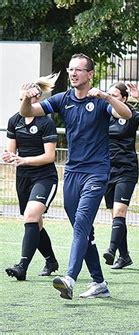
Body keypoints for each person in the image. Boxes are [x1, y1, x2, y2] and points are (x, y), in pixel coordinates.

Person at [20, 53, 132, 299]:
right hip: (72, 173)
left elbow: (127, 115)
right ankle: (99, 283)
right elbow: (30, 111)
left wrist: (106, 96)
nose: (73, 73)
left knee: (81, 223)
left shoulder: (101, 100)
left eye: (78, 70)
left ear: (90, 74)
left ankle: (69, 277)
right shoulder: (63, 99)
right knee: (83, 231)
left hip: (96, 173)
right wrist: (26, 99)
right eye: (71, 69)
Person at [4, 76, 60, 281]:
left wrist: (24, 160)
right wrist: (9, 156)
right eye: (20, 100)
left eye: (25, 99)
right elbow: (11, 151)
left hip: (44, 177)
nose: (23, 104)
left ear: (36, 99)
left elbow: (49, 156)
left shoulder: (45, 122)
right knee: (34, 223)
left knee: (30, 217)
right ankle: (51, 260)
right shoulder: (14, 120)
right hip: (23, 178)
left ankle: (22, 267)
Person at [102, 81, 139, 269]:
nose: (110, 99)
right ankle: (124, 256)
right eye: (109, 95)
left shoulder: (131, 115)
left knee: (119, 212)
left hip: (127, 170)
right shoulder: (104, 114)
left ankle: (111, 250)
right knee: (115, 216)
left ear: (124, 98)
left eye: (115, 96)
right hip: (107, 170)